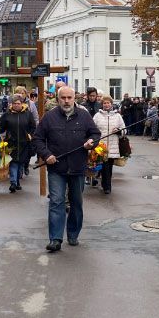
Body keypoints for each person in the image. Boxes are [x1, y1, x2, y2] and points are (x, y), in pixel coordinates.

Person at [32, 86, 101, 252]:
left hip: (78, 167)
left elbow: (95, 134)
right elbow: (37, 139)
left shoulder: (84, 116)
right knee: (56, 201)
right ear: (58, 99)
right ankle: (55, 239)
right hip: (56, 167)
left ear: (74, 98)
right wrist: (46, 154)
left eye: (69, 97)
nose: (66, 101)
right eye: (63, 98)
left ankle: (73, 234)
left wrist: (91, 142)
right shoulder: (49, 117)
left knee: (76, 202)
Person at [0, 93, 37, 192]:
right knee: (13, 163)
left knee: (21, 163)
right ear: (11, 104)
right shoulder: (6, 115)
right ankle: (13, 183)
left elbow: (33, 127)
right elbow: (2, 129)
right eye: (14, 103)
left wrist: (31, 136)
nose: (16, 105)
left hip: (25, 143)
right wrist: (0, 136)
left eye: (18, 103)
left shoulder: (27, 114)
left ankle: (17, 181)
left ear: (22, 104)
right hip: (11, 144)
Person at [91, 95, 125, 194]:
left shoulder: (117, 116)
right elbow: (92, 128)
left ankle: (105, 184)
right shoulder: (97, 116)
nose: (106, 105)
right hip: (101, 146)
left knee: (109, 167)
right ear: (102, 104)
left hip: (113, 145)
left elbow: (124, 129)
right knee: (104, 165)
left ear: (111, 104)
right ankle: (107, 187)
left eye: (108, 103)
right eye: (104, 103)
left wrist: (119, 131)